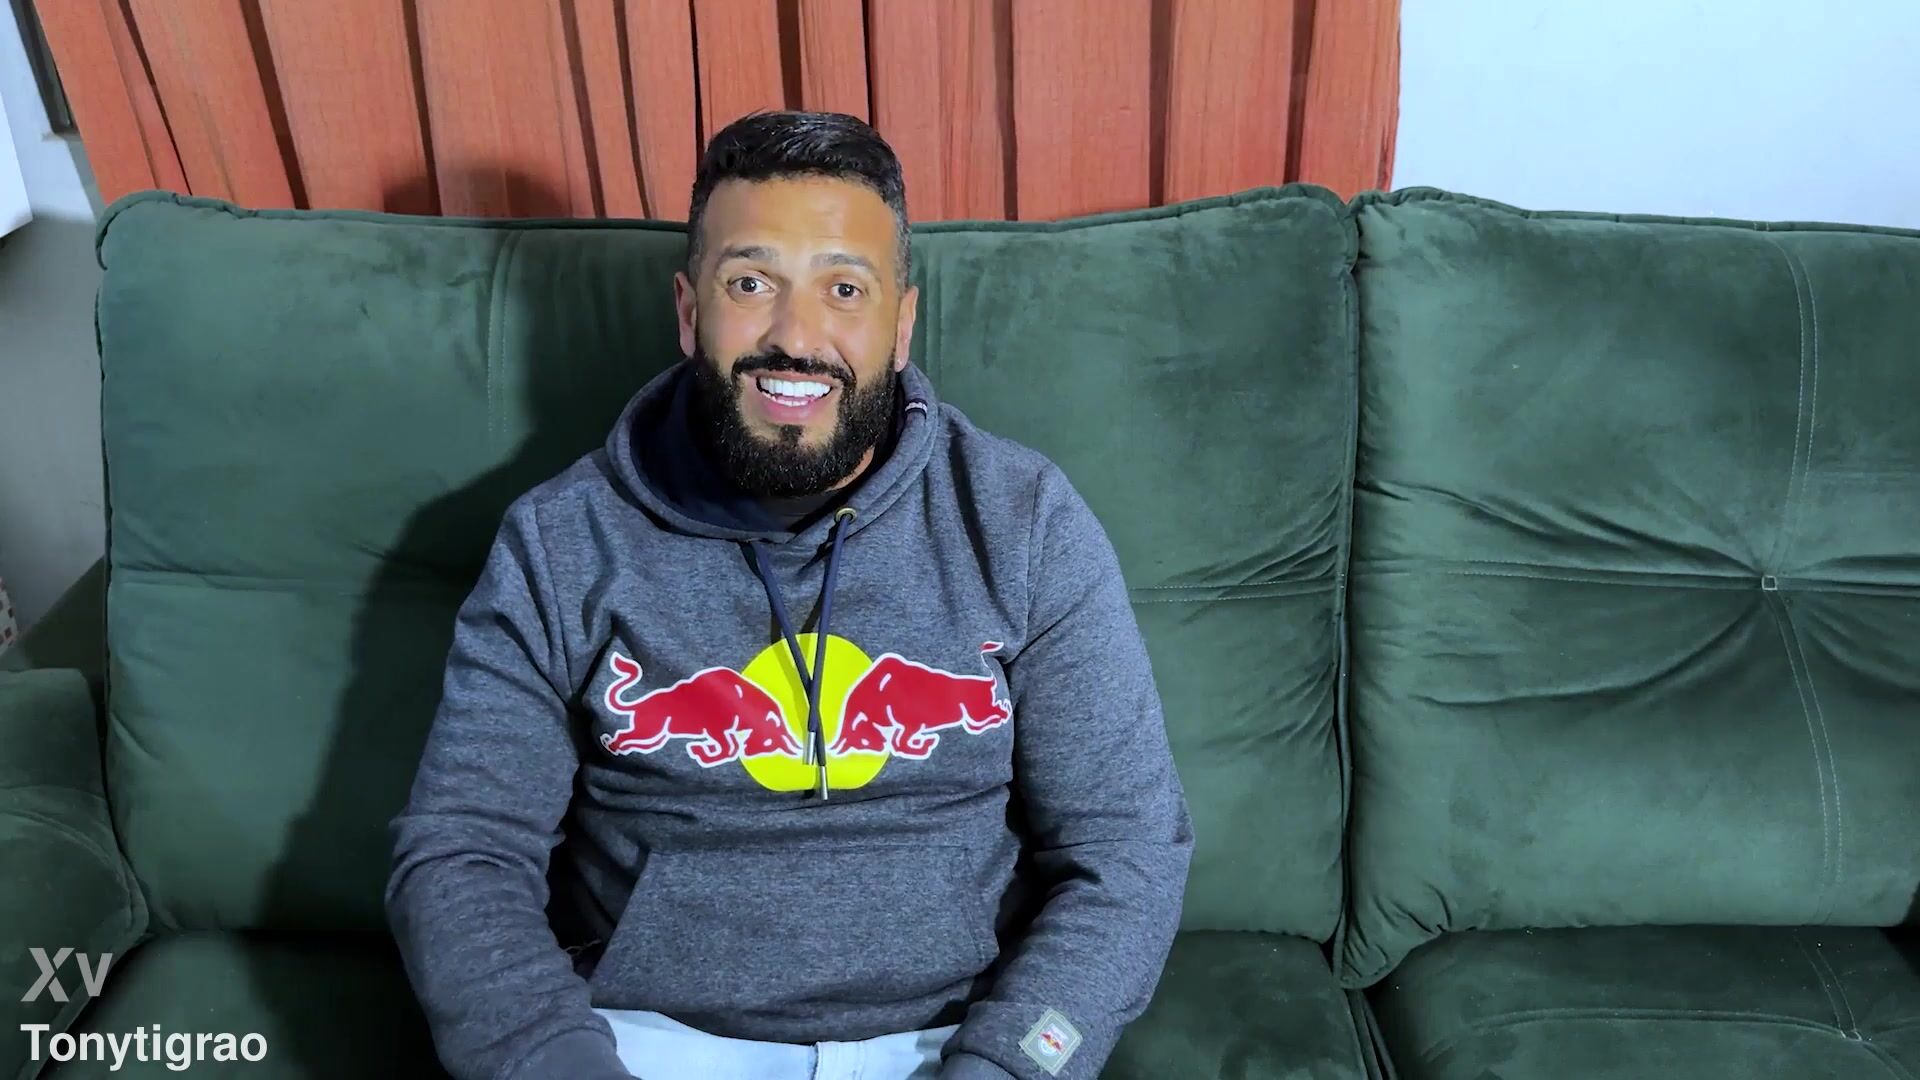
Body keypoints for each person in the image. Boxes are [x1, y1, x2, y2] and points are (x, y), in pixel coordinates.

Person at [385, 110, 1194, 1080]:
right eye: (751, 283)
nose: (794, 336)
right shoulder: (559, 542)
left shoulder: (1023, 521)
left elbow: (1128, 851)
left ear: (901, 325)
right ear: (689, 312)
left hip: (957, 1039)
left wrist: (1012, 1064)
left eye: (844, 289)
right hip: (646, 1043)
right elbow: (463, 853)